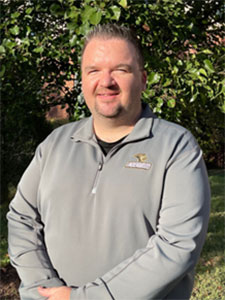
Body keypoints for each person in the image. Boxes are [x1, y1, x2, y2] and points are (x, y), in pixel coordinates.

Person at [7, 24, 210, 300]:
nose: (106, 81)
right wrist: (42, 289)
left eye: (121, 70)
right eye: (93, 71)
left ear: (143, 79)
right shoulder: (55, 145)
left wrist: (84, 297)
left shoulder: (176, 147)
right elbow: (22, 218)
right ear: (82, 80)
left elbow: (177, 246)